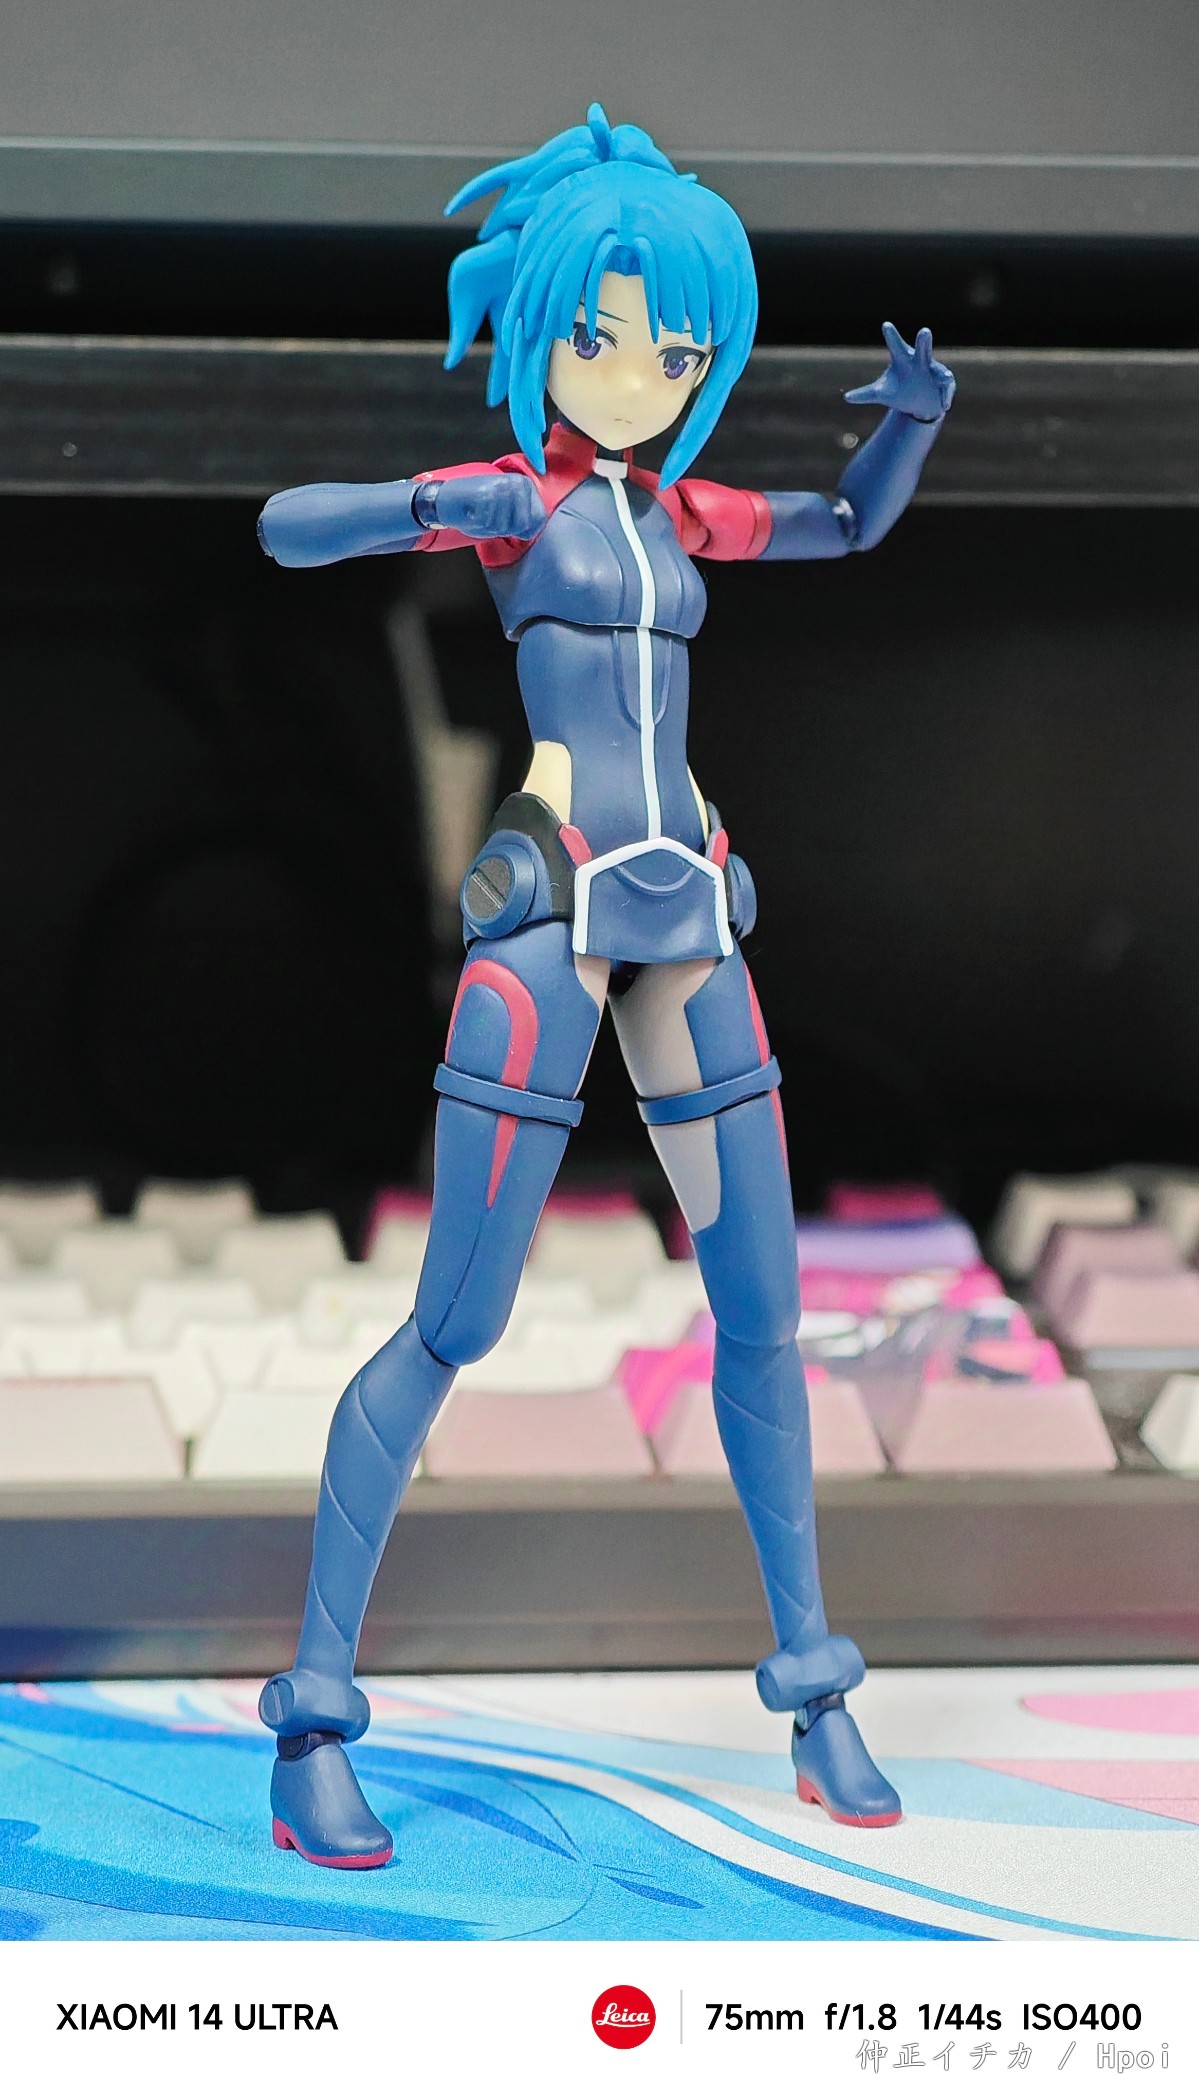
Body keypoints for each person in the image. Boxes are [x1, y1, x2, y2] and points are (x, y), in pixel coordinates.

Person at [256, 102, 955, 1867]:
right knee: (456, 1321)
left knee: (764, 1310)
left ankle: (816, 1686)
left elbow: (843, 524)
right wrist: (427, 504)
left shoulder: (684, 513)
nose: (643, 372)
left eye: (680, 348)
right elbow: (288, 527)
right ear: (544, 331)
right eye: (605, 335)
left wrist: (913, 426)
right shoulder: (522, 505)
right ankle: (313, 1713)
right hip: (555, 903)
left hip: (691, 902)